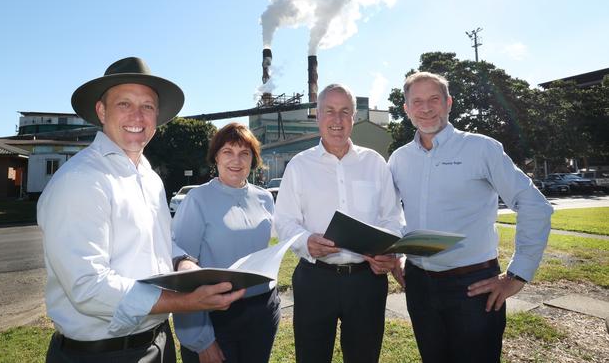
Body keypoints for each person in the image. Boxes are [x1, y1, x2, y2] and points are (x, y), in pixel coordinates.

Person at [38, 57, 245, 363]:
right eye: (124, 104)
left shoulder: (148, 177)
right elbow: (87, 285)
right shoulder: (81, 179)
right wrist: (185, 301)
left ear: (157, 115)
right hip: (101, 355)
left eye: (147, 106)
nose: (137, 115)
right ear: (101, 111)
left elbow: (156, 241)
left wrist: (182, 262)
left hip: (158, 343)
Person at [387, 71, 553, 363]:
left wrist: (517, 275)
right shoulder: (399, 158)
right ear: (407, 110)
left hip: (473, 286)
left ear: (449, 103)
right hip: (419, 285)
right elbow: (390, 211)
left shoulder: (481, 148)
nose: (426, 108)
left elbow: (533, 205)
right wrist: (400, 253)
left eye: (434, 99)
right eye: (417, 102)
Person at [274, 83, 404, 363]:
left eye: (345, 111)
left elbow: (393, 217)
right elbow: (284, 220)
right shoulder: (299, 165)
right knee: (311, 356)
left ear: (354, 117)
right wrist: (305, 241)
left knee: (364, 356)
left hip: (366, 281)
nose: (337, 119)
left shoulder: (374, 163)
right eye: (329, 111)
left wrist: (388, 252)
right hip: (315, 280)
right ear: (317, 116)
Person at [172, 122, 280, 363]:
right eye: (228, 152)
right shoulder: (197, 199)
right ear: (216, 157)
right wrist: (202, 340)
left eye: (244, 153)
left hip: (262, 312)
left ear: (253, 160)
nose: (236, 160)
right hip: (216, 316)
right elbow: (183, 278)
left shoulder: (265, 198)